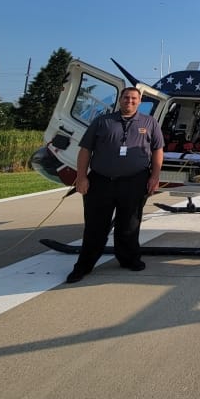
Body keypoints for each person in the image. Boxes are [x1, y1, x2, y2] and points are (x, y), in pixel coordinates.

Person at [66, 87, 164, 284]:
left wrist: (155, 176)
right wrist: (81, 177)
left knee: (129, 223)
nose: (130, 101)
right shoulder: (102, 122)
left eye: (134, 98)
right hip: (101, 180)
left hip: (135, 180)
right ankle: (83, 266)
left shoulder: (149, 123)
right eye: (126, 98)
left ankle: (129, 259)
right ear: (120, 100)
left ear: (140, 101)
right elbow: (85, 150)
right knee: (95, 225)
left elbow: (157, 150)